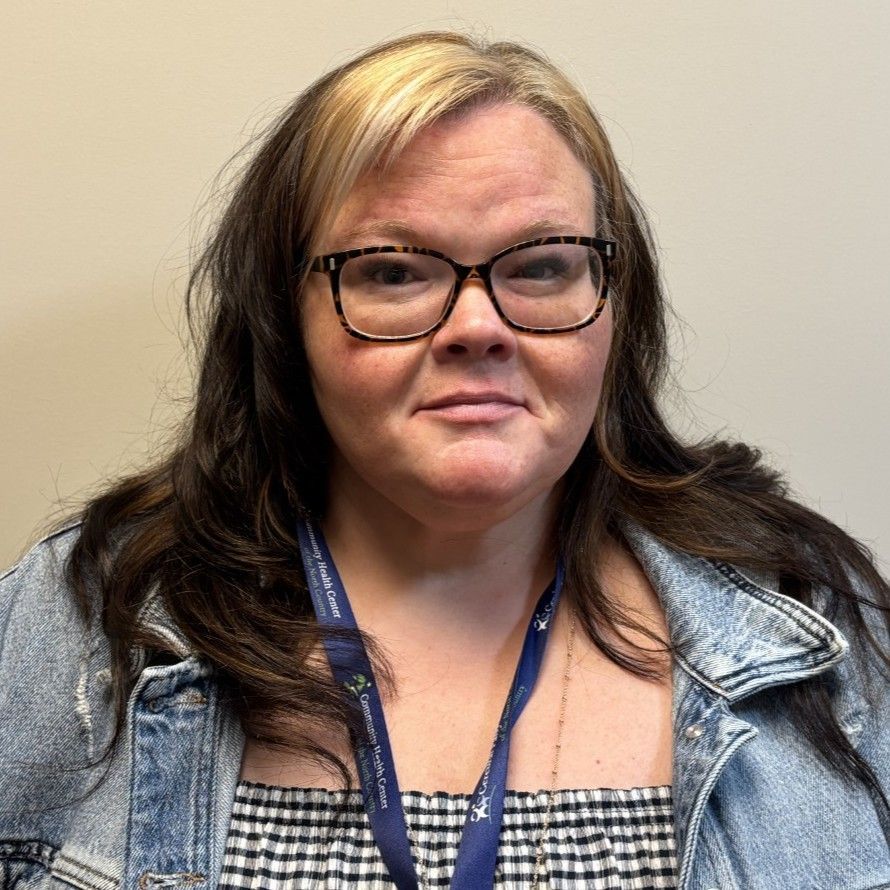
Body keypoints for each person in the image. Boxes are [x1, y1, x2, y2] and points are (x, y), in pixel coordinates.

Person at [1, 30, 888, 890]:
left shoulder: (819, 635)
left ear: (617, 306)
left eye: (541, 267)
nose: (478, 329)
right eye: (392, 272)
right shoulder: (76, 628)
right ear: (284, 320)